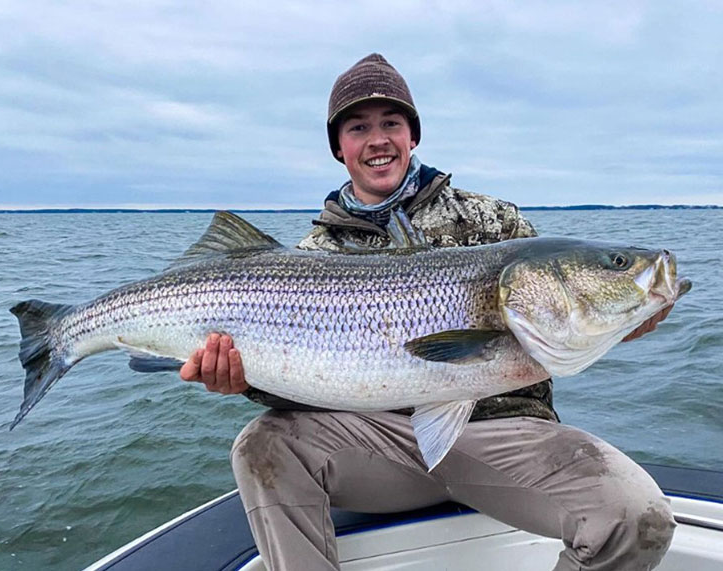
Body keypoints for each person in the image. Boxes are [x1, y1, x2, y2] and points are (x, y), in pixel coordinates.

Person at [180, 54, 676, 571]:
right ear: (338, 147)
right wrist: (245, 381)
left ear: (412, 135)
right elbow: (301, 385)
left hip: (508, 439)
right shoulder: (312, 256)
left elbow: (563, 322)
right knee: (262, 445)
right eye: (358, 127)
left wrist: (626, 317)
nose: (377, 140)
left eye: (391, 123)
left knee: (638, 517)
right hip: (377, 446)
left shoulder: (492, 220)